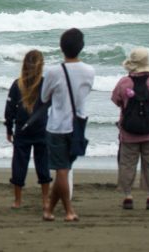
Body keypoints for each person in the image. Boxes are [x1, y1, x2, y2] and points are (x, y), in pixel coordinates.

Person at [41, 28, 94, 222]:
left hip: (57, 125)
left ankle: (68, 211)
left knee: (61, 170)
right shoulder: (89, 71)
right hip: (78, 124)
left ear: (62, 48)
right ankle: (49, 210)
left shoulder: (54, 71)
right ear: (81, 47)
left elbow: (44, 96)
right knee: (64, 169)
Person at [112, 47, 149, 210]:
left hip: (128, 131)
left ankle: (128, 196)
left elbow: (116, 99)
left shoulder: (124, 82)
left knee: (127, 163)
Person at [4, 50, 52, 210]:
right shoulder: (45, 84)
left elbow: (9, 109)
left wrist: (8, 129)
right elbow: (54, 105)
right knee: (43, 164)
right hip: (42, 129)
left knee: (19, 163)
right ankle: (45, 199)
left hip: (22, 130)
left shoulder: (17, 84)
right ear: (41, 66)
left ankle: (17, 200)